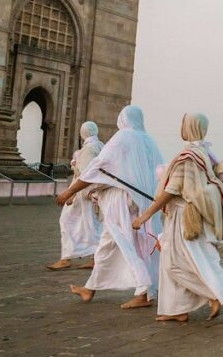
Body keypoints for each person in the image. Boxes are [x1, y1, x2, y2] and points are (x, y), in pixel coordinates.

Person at [131, 113, 223, 322]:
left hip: (183, 217)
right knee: (189, 259)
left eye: (183, 122)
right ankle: (177, 309)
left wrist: (144, 217)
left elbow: (171, 191)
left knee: (174, 262)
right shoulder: (204, 153)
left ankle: (213, 294)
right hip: (191, 215)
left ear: (190, 126)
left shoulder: (188, 156)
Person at [55, 105, 163, 308]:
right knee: (110, 244)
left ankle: (143, 290)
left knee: (125, 243)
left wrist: (70, 191)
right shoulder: (150, 141)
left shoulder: (122, 138)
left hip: (120, 200)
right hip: (143, 201)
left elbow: (98, 167)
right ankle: (91, 288)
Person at [48, 121, 105, 271]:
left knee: (67, 221)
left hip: (83, 194)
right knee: (92, 225)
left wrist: (71, 193)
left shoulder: (89, 149)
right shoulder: (100, 146)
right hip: (93, 194)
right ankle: (94, 258)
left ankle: (65, 258)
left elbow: (85, 176)